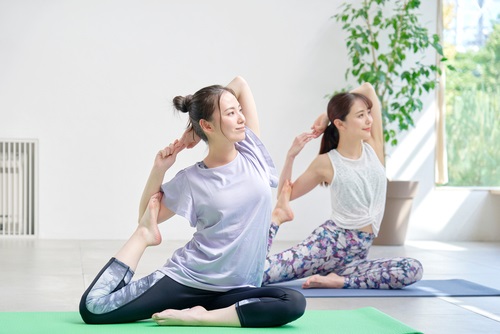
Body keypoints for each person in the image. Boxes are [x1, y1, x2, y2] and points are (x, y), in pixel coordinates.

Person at [79, 76, 306, 327]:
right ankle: (147, 246)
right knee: (93, 309)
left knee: (293, 301)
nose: (241, 118)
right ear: (208, 126)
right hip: (188, 281)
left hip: (239, 289)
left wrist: (195, 131)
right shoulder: (192, 179)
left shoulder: (251, 152)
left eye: (239, 110)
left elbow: (240, 83)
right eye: (231, 113)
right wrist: (159, 170)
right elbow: (147, 215)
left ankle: (200, 316)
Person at [263, 82, 423, 289]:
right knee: (257, 275)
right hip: (325, 246)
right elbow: (286, 194)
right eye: (360, 115)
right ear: (341, 124)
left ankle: (340, 281)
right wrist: (291, 156)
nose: (368, 120)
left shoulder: (373, 148)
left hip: (355, 258)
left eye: (368, 113)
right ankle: (274, 222)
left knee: (413, 269)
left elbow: (367, 88)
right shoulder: (327, 162)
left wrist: (326, 115)